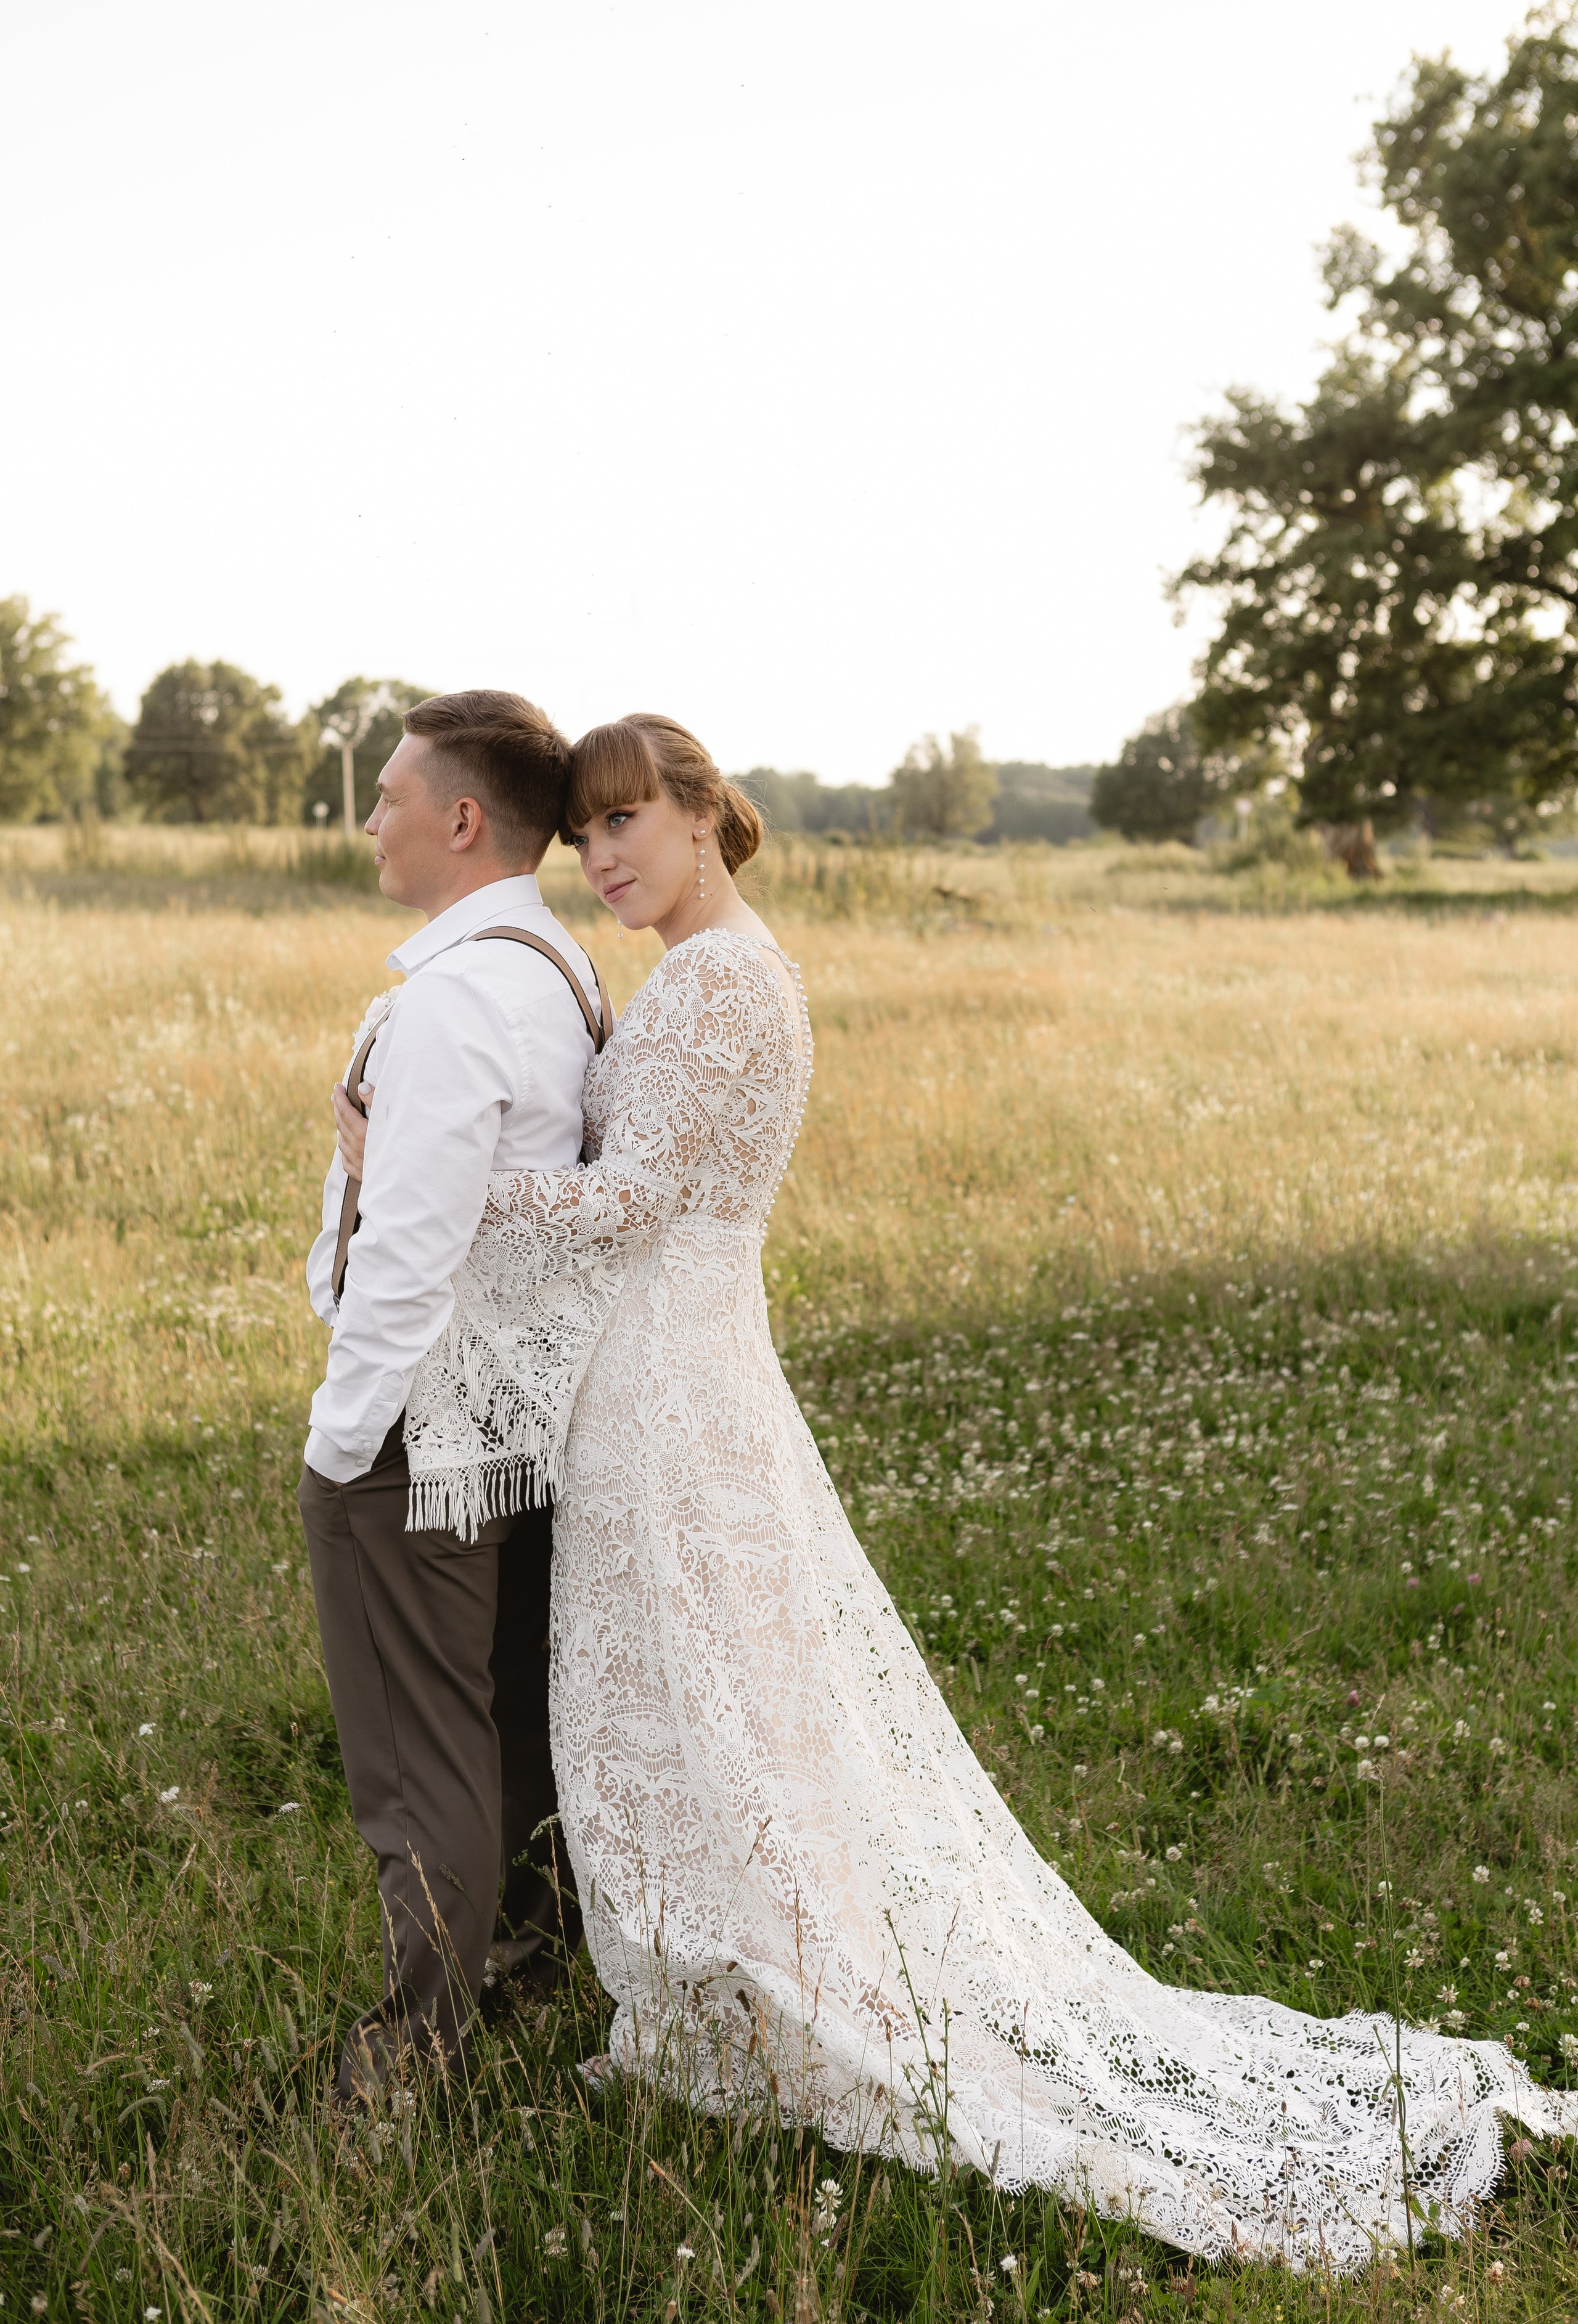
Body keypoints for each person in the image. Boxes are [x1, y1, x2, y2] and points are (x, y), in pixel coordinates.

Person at [334, 712, 1578, 2270]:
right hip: (666, 1377)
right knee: (710, 1694)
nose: (600, 858)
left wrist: (422, 1176)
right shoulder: (707, 970)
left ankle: (792, 1994)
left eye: (625, 822)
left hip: (670, 1383)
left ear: (705, 814)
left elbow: (634, 1202)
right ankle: (730, 1976)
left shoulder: (722, 983)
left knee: (714, 1693)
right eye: (584, 834)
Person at [300, 687, 606, 2101]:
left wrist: (340, 1437)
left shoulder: (459, 1000)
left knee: (419, 1760)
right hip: (518, 1415)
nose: (371, 821)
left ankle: (418, 2048)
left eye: (388, 796)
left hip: (419, 1426)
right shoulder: (554, 972)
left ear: (462, 819)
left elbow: (412, 1253)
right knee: (502, 1725)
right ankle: (529, 1963)